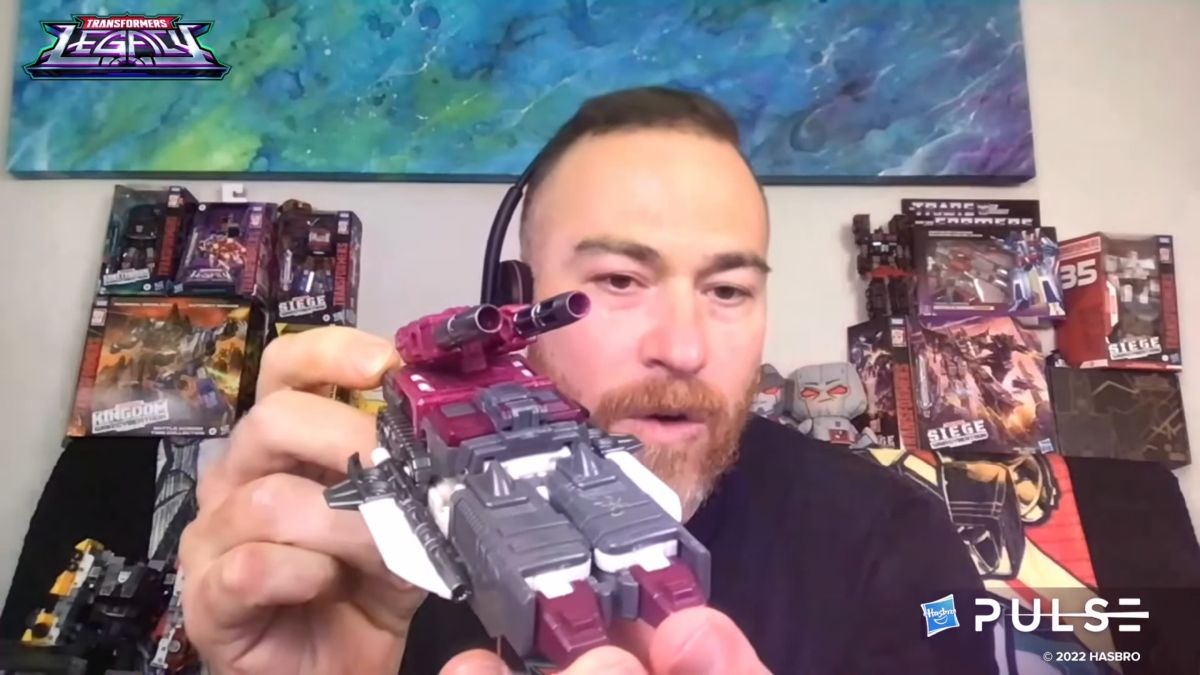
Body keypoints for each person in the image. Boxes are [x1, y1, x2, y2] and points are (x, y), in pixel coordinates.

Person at [179, 87, 996, 675]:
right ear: (514, 301)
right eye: (618, 281)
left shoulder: (892, 541)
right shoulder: (374, 562)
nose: (683, 348)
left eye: (727, 290)